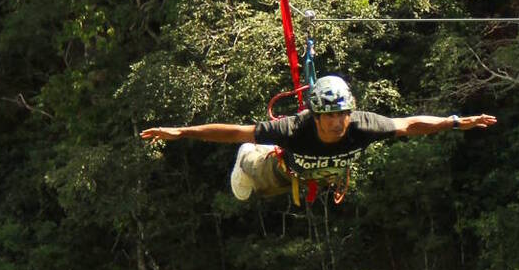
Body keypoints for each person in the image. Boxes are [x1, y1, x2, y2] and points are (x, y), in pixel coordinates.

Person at [141, 75, 497, 201]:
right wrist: (182, 132)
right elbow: (235, 130)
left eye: (341, 115)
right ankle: (247, 159)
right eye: (328, 117)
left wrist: (454, 121)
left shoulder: (363, 125)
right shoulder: (296, 128)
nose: (336, 123)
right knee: (247, 188)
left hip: (324, 178)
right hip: (281, 170)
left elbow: (410, 125)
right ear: (316, 115)